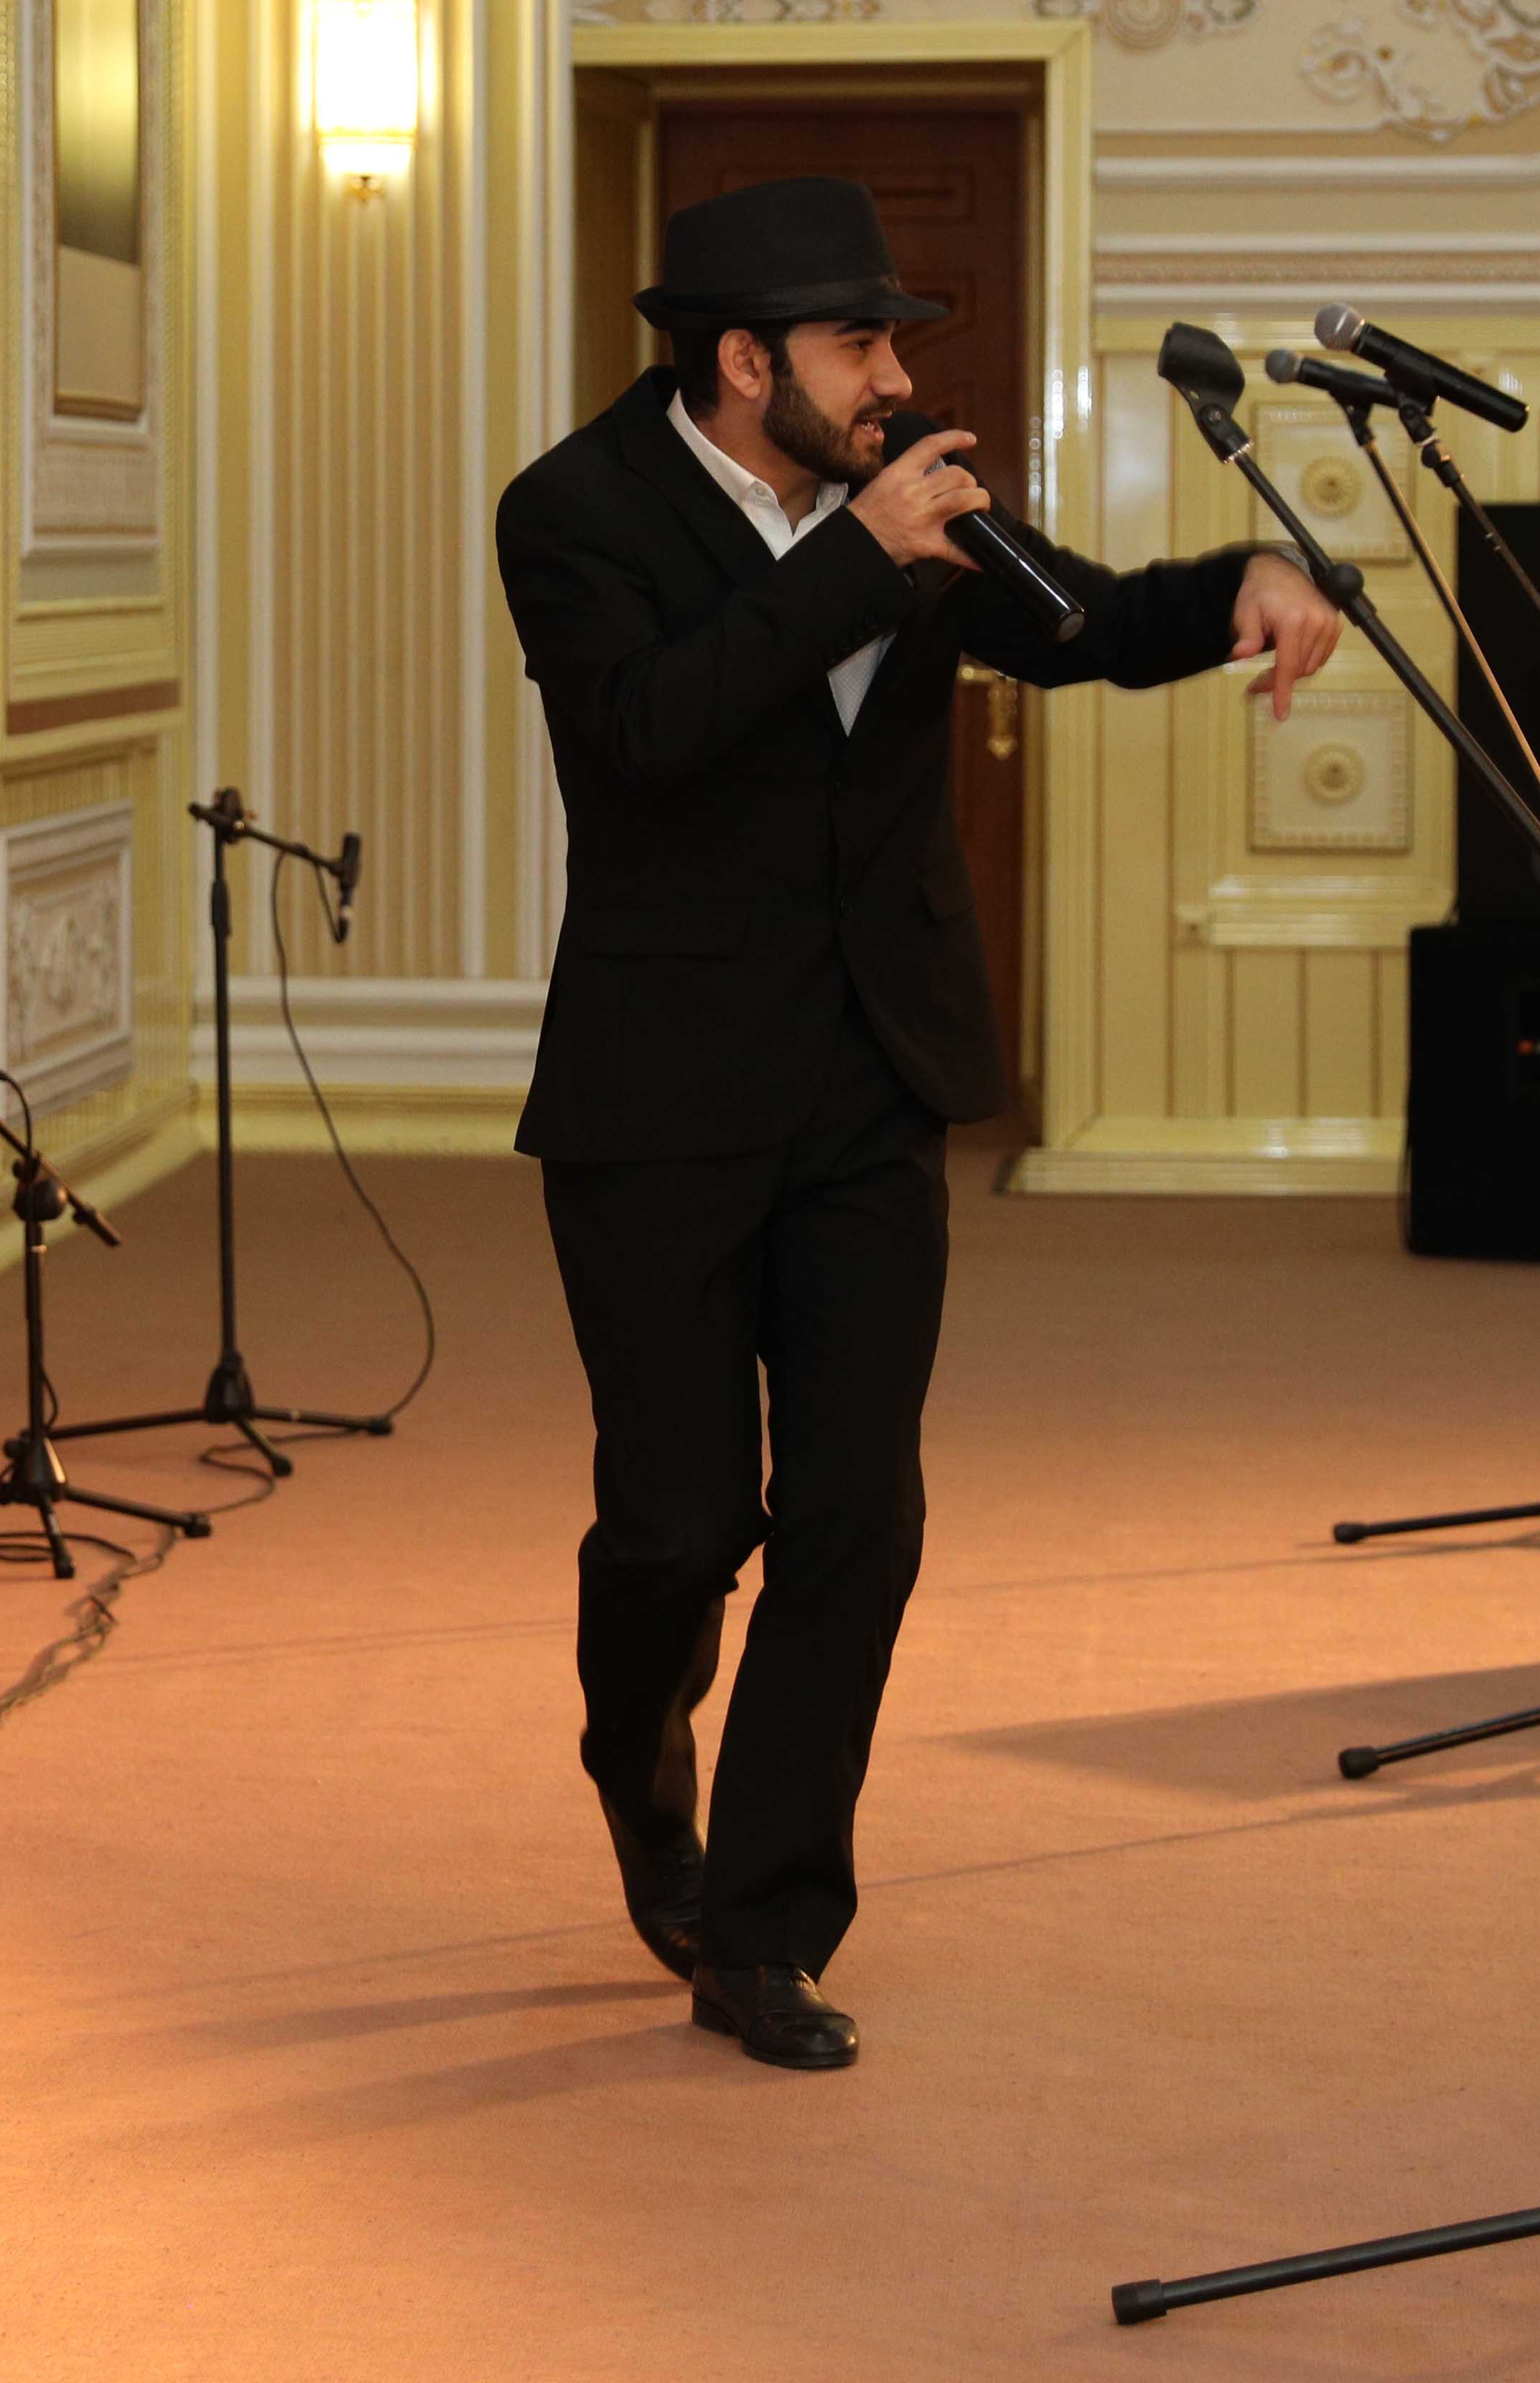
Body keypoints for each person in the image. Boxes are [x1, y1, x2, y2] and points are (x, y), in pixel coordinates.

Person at [493, 174, 1342, 2072]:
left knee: (859, 1518)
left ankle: (763, 1927)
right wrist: (859, 564)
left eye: (891, 344)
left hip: (876, 1076)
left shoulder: (911, 498)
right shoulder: (576, 510)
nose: (891, 377)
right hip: (663, 1092)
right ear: (745, 362)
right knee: (677, 1526)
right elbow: (644, 733)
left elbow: (1080, 623)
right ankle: (638, 1757)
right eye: (859, 342)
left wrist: (1244, 587)